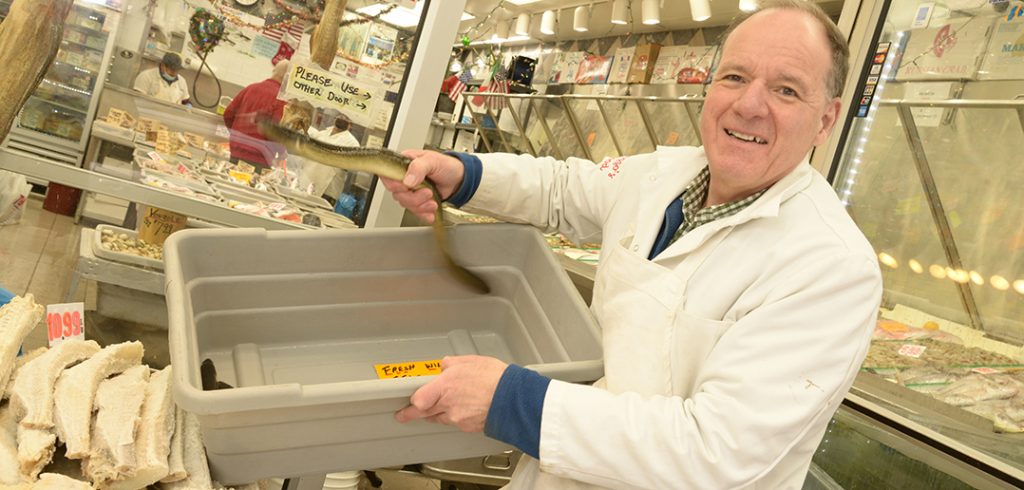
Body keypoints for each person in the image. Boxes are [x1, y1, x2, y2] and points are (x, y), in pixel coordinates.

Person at [381, 2, 883, 488]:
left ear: (826, 119)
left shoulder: (832, 266)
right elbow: (561, 189)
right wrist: (464, 174)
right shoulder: (665, 175)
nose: (749, 105)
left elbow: (717, 451)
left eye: (786, 90)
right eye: (734, 77)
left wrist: (511, 401)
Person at [222, 61, 290, 171]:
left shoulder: (250, 88)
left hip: (236, 150)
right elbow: (275, 133)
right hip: (260, 157)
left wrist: (237, 135)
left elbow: (228, 114)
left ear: (274, 71)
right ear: (288, 79)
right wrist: (281, 153)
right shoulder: (281, 100)